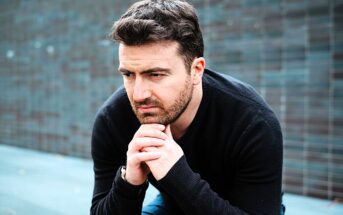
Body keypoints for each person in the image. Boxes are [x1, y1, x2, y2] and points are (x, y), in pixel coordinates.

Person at [90, 0, 284, 214]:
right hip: (173, 202)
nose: (138, 95)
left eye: (155, 74)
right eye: (128, 74)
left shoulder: (252, 122)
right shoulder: (112, 121)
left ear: (196, 70)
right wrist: (128, 183)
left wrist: (177, 175)